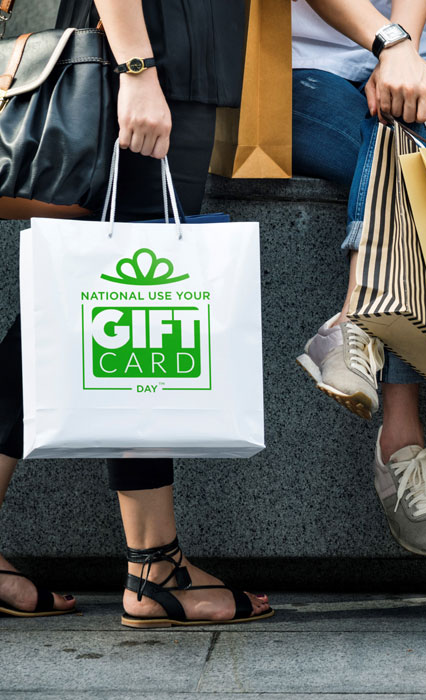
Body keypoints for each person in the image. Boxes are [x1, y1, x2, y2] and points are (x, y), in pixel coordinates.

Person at [0, 0, 272, 626]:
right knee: (132, 309)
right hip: (147, 52)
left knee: (83, 308)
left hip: (157, 54)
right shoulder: (144, 66)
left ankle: (156, 565)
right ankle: (155, 568)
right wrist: (139, 68)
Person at [291, 0, 426, 556]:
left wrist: (403, 55)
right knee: (412, 173)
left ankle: (351, 329)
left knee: (411, 123)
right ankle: (402, 438)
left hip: (410, 60)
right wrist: (387, 44)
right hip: (291, 68)